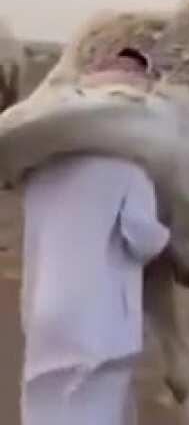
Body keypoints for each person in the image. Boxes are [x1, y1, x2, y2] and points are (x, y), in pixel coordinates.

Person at [21, 153, 170, 425]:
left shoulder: (38, 174)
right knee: (99, 407)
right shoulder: (129, 170)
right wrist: (172, 234)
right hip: (101, 317)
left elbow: (33, 245)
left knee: (47, 408)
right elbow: (144, 240)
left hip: (45, 313)